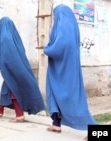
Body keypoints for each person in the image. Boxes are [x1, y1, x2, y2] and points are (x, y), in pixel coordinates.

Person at [43, 4, 96, 135]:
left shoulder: (63, 25)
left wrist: (47, 49)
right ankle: (56, 124)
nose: (55, 18)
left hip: (63, 69)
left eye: (56, 16)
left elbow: (61, 45)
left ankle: (97, 132)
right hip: (59, 68)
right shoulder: (71, 25)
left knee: (72, 100)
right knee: (54, 94)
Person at [0, 17, 45, 122]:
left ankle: (19, 115)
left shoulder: (5, 37)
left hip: (11, 67)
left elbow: (7, 54)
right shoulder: (14, 35)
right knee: (6, 88)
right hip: (18, 65)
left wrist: (3, 65)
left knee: (13, 89)